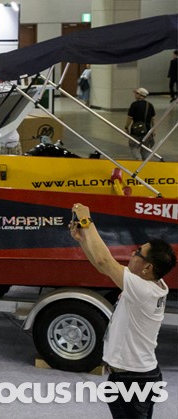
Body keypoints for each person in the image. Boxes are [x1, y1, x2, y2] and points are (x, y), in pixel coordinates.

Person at [69, 203, 175, 419]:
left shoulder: (142, 289)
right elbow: (102, 266)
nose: (132, 253)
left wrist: (87, 222)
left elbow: (105, 261)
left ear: (148, 268)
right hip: (130, 376)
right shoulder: (151, 283)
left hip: (134, 380)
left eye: (138, 253)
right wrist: (83, 240)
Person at [124, 87, 155, 160]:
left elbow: (129, 118)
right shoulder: (150, 105)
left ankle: (138, 160)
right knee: (145, 149)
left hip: (135, 130)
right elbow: (152, 119)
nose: (135, 95)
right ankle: (145, 163)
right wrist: (153, 130)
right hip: (147, 130)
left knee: (133, 146)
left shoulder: (134, 104)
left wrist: (126, 127)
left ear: (139, 95)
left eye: (136, 93)